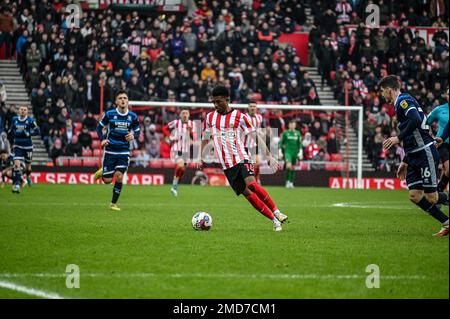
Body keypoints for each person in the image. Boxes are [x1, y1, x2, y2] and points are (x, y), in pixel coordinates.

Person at [200, 86, 288, 231]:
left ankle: (277, 212)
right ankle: (274, 221)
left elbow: (256, 137)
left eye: (218, 101)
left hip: (241, 158)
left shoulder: (240, 117)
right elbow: (205, 136)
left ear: (227, 100)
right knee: (247, 194)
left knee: (252, 184)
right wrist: (200, 155)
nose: (215, 105)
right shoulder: (210, 117)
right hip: (227, 166)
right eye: (213, 102)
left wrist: (269, 156)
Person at [381, 75, 448, 237]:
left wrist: (398, 138)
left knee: (432, 197)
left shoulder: (404, 101)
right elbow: (413, 135)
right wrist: (405, 160)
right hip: (413, 155)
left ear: (389, 90)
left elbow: (416, 120)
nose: (383, 95)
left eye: (383, 91)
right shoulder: (400, 105)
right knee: (415, 195)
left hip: (425, 152)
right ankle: (446, 222)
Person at [93, 90, 141, 211]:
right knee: (107, 181)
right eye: (120, 98)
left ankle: (113, 204)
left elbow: (138, 131)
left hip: (124, 151)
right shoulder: (109, 114)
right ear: (116, 101)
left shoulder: (133, 116)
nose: (123, 100)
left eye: (125, 98)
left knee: (119, 176)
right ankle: (102, 172)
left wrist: (134, 135)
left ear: (128, 101)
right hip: (110, 150)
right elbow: (99, 127)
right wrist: (102, 139)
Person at [163, 108, 197, 197]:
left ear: (189, 115)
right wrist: (170, 136)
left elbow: (195, 138)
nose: (185, 115)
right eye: (183, 113)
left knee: (182, 170)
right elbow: (164, 128)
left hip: (186, 151)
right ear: (180, 115)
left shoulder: (192, 124)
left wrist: (190, 132)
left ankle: (174, 186)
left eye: (186, 113)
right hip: (176, 149)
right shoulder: (176, 122)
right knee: (180, 165)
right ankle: (174, 187)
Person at [8, 105, 40, 193]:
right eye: (21, 109)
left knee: (28, 168)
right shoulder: (14, 119)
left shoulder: (30, 121)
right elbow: (11, 129)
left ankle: (28, 176)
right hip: (17, 145)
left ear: (27, 111)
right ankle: (17, 185)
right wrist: (10, 133)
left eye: (24, 110)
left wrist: (29, 133)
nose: (23, 111)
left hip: (28, 146)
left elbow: (37, 131)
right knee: (16, 165)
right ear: (19, 111)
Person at [427, 88, 449, 192]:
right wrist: (430, 134)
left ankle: (438, 193)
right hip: (442, 143)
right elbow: (426, 122)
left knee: (446, 171)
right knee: (448, 169)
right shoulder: (439, 109)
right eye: (448, 94)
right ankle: (438, 192)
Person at [245, 102, 265, 184]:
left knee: (257, 162)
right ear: (248, 107)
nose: (252, 108)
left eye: (254, 106)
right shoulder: (244, 117)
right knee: (246, 165)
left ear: (256, 108)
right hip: (245, 145)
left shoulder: (259, 117)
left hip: (254, 144)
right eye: (251, 106)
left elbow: (259, 128)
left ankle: (256, 180)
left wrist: (261, 133)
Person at [279, 119, 302, 188]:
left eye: (293, 124)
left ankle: (291, 182)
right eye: (291, 124)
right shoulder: (285, 133)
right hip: (288, 152)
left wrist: (300, 152)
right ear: (289, 125)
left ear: (295, 125)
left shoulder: (298, 133)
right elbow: (281, 143)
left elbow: (299, 144)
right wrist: (280, 151)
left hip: (295, 152)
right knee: (288, 165)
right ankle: (287, 181)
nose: (292, 125)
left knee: (293, 167)